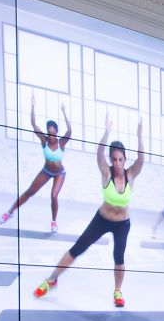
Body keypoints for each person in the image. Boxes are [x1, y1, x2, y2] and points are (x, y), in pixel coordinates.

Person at [33, 120, 143, 308]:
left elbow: (141, 159)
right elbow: (99, 154)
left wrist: (139, 135)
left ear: (125, 160)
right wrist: (106, 132)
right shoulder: (106, 173)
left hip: (122, 224)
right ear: (111, 159)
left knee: (119, 257)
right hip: (102, 220)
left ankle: (117, 291)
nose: (117, 163)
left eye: (120, 159)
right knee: (77, 249)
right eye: (114, 159)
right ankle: (51, 280)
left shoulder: (130, 175)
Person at [0, 103, 71, 231]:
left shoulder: (61, 142)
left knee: (54, 196)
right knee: (29, 192)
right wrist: (32, 105)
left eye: (53, 133)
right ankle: (9, 213)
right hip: (46, 171)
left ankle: (53, 222)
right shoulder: (44, 141)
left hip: (60, 173)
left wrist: (64, 112)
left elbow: (70, 131)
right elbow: (33, 124)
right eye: (49, 133)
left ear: (56, 132)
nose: (51, 136)